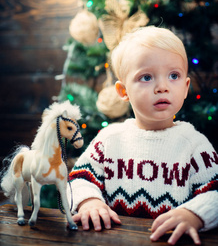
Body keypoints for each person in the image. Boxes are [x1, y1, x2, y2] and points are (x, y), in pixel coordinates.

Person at [67, 26, 218, 245]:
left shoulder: (194, 145)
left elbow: (215, 191)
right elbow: (79, 179)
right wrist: (89, 202)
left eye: (173, 75)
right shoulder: (109, 140)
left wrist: (194, 214)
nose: (162, 87)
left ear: (186, 87)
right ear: (123, 91)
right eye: (146, 77)